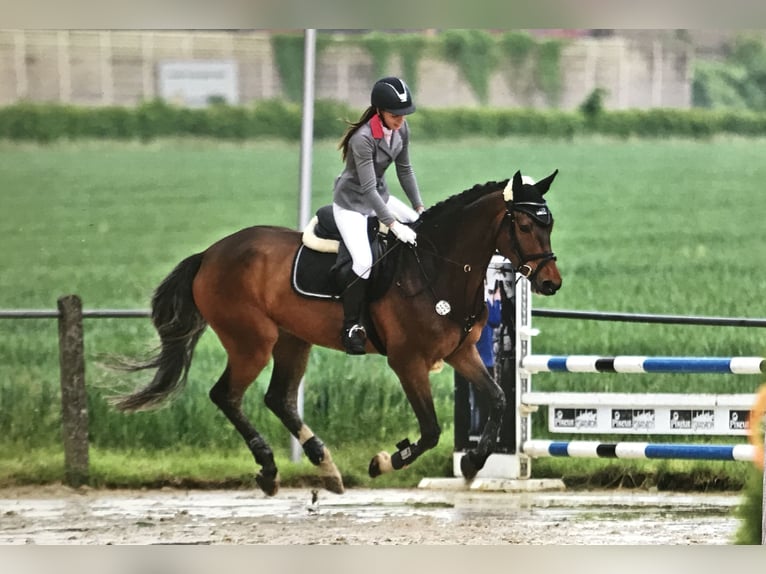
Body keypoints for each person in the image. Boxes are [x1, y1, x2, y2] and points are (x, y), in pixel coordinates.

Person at [333, 76, 425, 355]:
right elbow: (368, 189)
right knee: (364, 261)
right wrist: (393, 224)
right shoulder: (363, 139)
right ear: (380, 111)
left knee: (421, 229)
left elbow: (405, 170)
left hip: (379, 198)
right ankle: (350, 326)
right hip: (351, 204)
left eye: (403, 115)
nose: (400, 120)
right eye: (395, 115)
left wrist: (419, 207)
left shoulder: (401, 130)